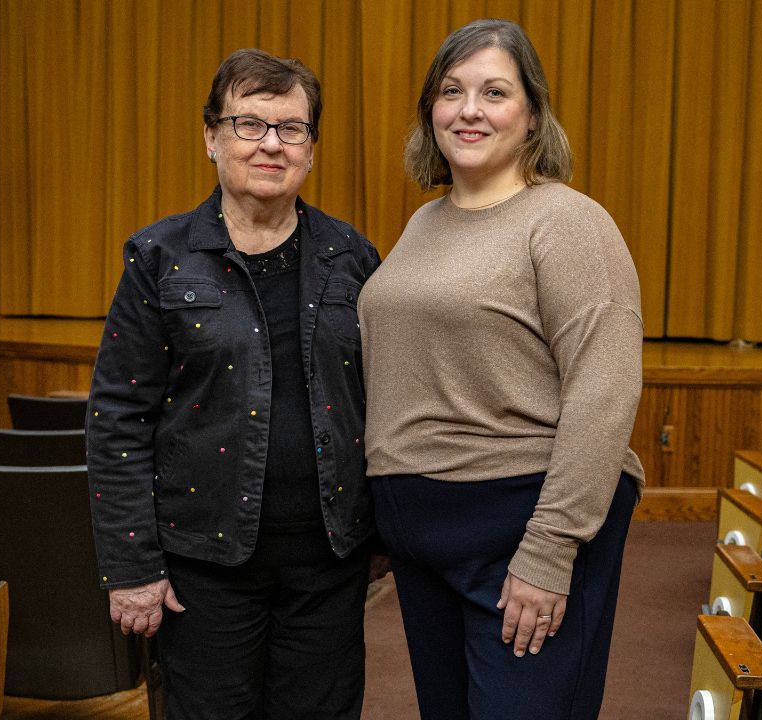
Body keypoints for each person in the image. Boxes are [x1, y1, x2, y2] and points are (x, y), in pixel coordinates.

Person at [358, 19, 645, 720]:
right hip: (422, 537)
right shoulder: (424, 224)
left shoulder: (567, 221)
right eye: (450, 91)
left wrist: (549, 549)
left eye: (494, 92)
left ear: (533, 115)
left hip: (520, 525)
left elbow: (604, 389)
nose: (469, 110)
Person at [86, 48, 381, 720]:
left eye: (292, 128)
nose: (271, 144)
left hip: (329, 566)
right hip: (203, 568)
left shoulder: (352, 256)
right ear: (211, 138)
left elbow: (381, 402)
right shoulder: (158, 258)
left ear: (310, 148)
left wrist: (385, 534)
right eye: (249, 124)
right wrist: (132, 566)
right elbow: (118, 417)